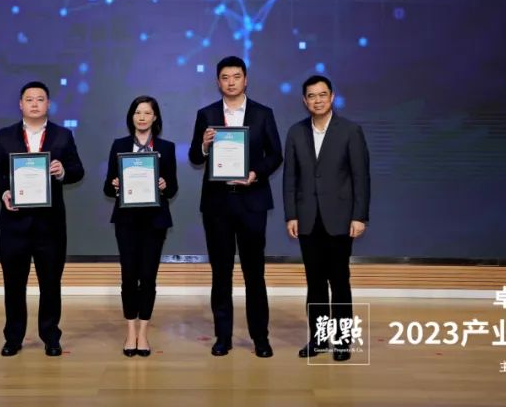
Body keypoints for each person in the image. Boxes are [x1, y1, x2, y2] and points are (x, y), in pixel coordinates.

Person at [188, 56, 282, 358]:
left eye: (236, 76)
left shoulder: (263, 113)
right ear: (218, 82)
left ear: (246, 79)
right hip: (217, 204)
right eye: (225, 77)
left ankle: (260, 338)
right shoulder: (207, 114)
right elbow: (194, 157)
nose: (231, 82)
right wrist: (204, 145)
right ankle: (223, 337)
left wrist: (255, 174)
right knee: (221, 273)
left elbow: (275, 155)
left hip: (252, 202)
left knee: (255, 273)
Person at [0, 80, 84, 357]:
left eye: (40, 99)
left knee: (50, 284)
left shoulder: (63, 135)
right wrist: (4, 191)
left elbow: (78, 170)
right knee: (13, 285)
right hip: (14, 224)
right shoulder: (5, 135)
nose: (35, 104)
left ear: (48, 104)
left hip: (50, 226)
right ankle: (13, 338)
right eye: (29, 99)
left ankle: (51, 337)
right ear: (21, 104)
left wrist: (63, 172)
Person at [283, 75, 370, 361]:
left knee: (340, 281)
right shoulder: (296, 132)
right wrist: (291, 215)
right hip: (307, 218)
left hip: (340, 219)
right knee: (315, 283)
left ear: (332, 97)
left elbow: (361, 177)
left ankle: (343, 341)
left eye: (322, 95)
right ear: (304, 100)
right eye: (311, 96)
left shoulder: (350, 131)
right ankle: (319, 339)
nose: (317, 100)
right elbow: (290, 178)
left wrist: (359, 216)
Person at [102, 95, 179, 358]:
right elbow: (107, 187)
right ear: (131, 117)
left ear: (155, 117)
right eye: (137, 113)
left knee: (147, 277)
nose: (142, 117)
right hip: (126, 221)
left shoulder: (166, 148)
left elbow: (173, 187)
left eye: (147, 113)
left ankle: (143, 332)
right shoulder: (119, 145)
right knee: (128, 276)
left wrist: (164, 185)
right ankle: (130, 331)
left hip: (155, 222)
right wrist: (114, 185)